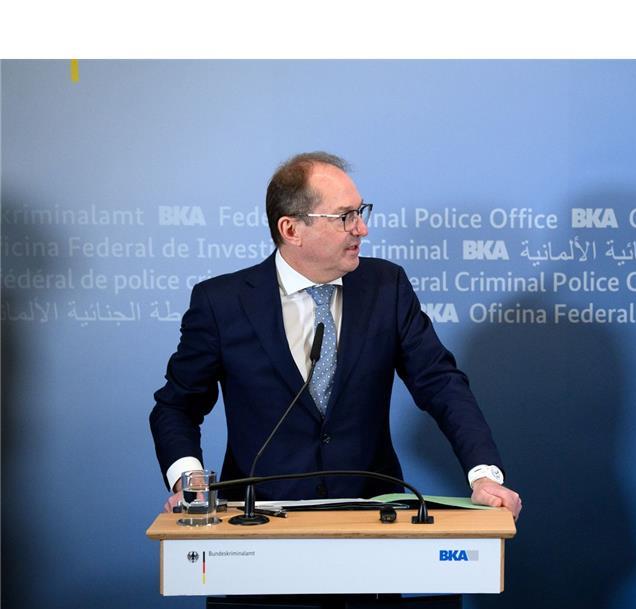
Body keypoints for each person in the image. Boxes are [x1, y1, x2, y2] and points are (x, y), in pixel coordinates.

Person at [150, 152, 521, 518]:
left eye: (360, 212)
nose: (361, 228)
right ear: (291, 229)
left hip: (373, 513)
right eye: (345, 217)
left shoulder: (386, 288)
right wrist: (189, 478)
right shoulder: (223, 302)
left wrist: (483, 473)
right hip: (258, 516)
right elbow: (177, 405)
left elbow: (441, 384)